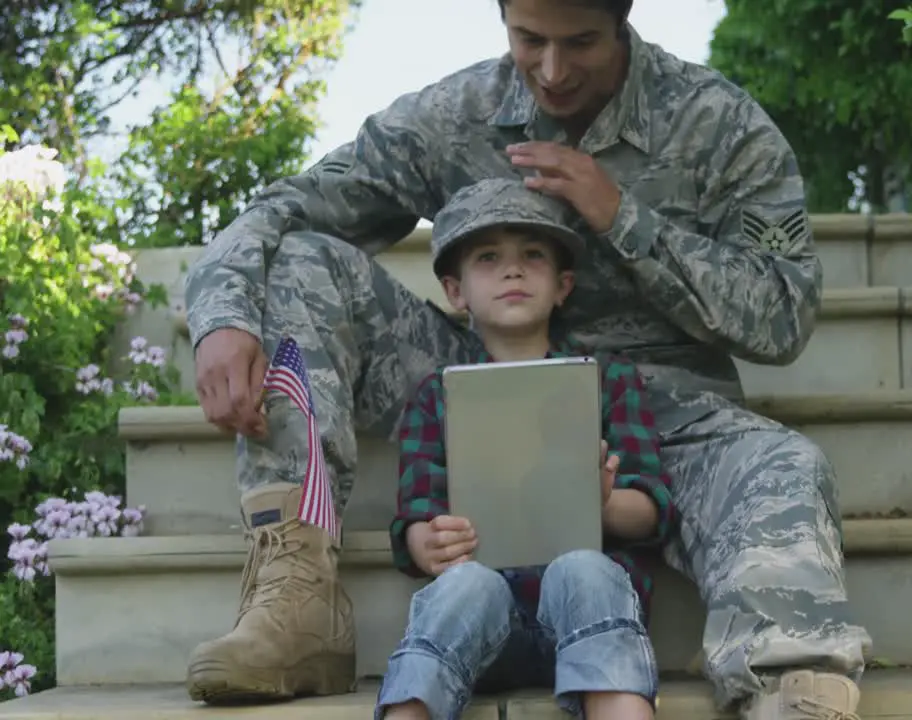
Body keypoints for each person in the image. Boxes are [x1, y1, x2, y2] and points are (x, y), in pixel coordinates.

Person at [183, 0, 873, 717]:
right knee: (296, 262)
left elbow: (785, 315)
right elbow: (288, 208)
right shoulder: (458, 113)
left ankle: (789, 682)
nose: (552, 70)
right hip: (480, 382)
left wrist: (624, 219)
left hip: (663, 410)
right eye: (529, 40)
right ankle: (296, 603)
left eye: (580, 43)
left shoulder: (719, 124)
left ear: (623, 19)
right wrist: (224, 315)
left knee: (784, 464)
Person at [378, 177, 674, 720]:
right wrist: (431, 544)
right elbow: (417, 521)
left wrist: (601, 501)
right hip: (484, 627)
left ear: (563, 286)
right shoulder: (437, 396)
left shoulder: (606, 380)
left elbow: (651, 511)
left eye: (531, 255)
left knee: (585, 567)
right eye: (488, 257)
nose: (512, 270)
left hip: (588, 616)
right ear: (455, 291)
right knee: (466, 584)